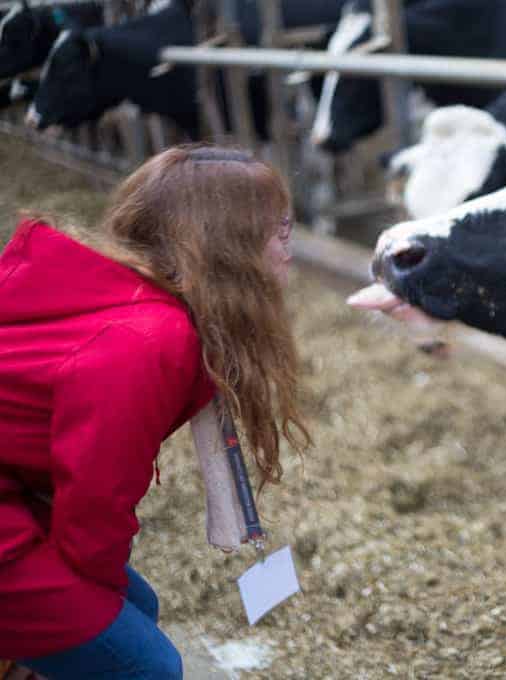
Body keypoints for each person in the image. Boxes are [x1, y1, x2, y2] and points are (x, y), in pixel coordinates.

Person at [0, 145, 312, 679]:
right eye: (278, 232)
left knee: (136, 612)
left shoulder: (139, 303)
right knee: (148, 666)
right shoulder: (149, 339)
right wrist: (95, 596)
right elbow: (95, 498)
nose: (289, 250)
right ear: (228, 246)